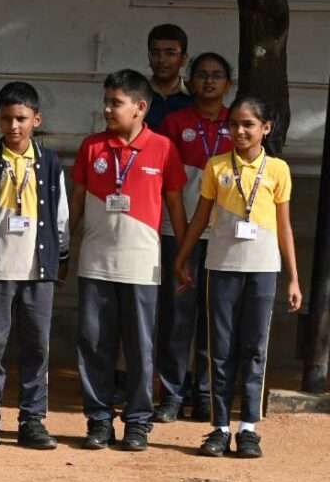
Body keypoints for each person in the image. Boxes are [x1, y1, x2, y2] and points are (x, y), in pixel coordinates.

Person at [175, 96, 302, 459]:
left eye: (249, 124)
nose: (240, 131)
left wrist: (293, 278)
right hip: (222, 267)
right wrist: (183, 257)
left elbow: (284, 226)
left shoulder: (277, 169)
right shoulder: (216, 166)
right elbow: (201, 217)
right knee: (220, 347)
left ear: (266, 128)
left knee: (254, 347)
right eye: (234, 124)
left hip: (263, 268)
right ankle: (219, 427)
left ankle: (248, 427)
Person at [69, 69, 187, 452]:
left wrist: (183, 255)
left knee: (140, 346)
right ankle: (98, 420)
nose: (107, 109)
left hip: (142, 263)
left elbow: (175, 206)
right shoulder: (92, 147)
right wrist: (64, 247)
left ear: (140, 107)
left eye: (115, 103)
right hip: (95, 262)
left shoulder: (164, 148)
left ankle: (137, 421)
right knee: (94, 344)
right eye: (106, 101)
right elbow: (76, 202)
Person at [0, 82, 68, 451]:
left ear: (37, 119)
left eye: (21, 118)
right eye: (6, 118)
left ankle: (32, 419)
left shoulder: (49, 163)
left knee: (37, 346)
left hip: (38, 271)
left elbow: (61, 215)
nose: (14, 125)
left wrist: (61, 256)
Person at [155, 52, 234, 423]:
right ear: (191, 80)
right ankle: (172, 394)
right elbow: (167, 181)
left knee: (213, 316)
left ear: (228, 84)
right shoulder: (175, 122)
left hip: (223, 235)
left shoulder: (238, 122)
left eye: (217, 75)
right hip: (179, 230)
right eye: (202, 74)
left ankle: (206, 394)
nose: (209, 81)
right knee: (177, 316)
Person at [144, 23, 192, 131]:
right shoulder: (135, 95)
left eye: (170, 54)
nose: (161, 60)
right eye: (155, 53)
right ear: (149, 56)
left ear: (183, 59)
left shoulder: (194, 97)